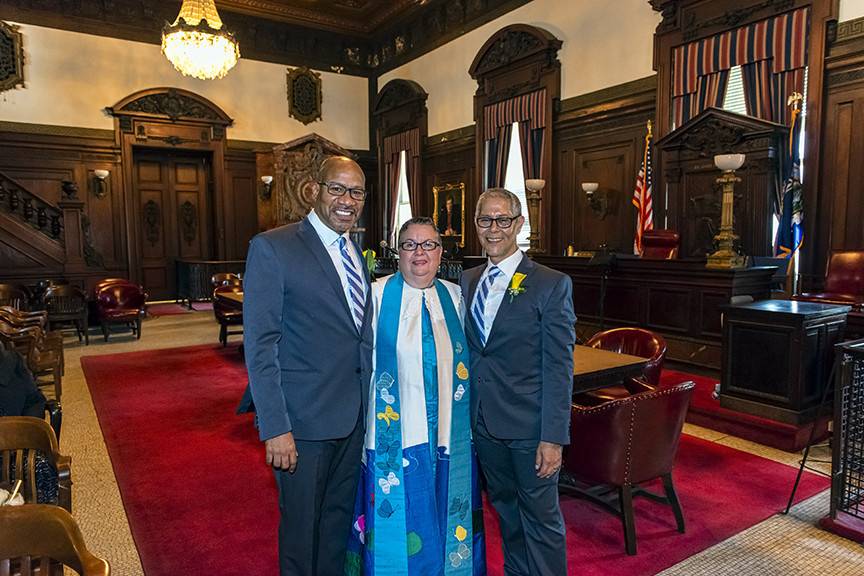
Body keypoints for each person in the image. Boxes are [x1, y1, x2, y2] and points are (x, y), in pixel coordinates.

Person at [239, 156, 374, 576]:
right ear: (314, 190)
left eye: (356, 192)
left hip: (353, 418)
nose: (346, 201)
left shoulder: (354, 249)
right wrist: (275, 427)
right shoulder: (273, 247)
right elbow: (261, 346)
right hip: (301, 424)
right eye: (337, 189)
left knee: (335, 527)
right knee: (301, 535)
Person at [346, 217, 485, 575]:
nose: (419, 253)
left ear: (440, 252)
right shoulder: (374, 295)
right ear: (398, 252)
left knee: (447, 517)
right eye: (410, 244)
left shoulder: (455, 296)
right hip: (396, 435)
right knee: (399, 520)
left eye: (428, 245)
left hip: (448, 437)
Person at [461, 188, 575, 576]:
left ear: (519, 224)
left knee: (540, 521)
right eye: (485, 220)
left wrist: (552, 438)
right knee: (506, 513)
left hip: (530, 427)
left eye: (502, 220)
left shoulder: (550, 283)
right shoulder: (467, 280)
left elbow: (559, 367)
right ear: (475, 225)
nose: (494, 229)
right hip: (484, 424)